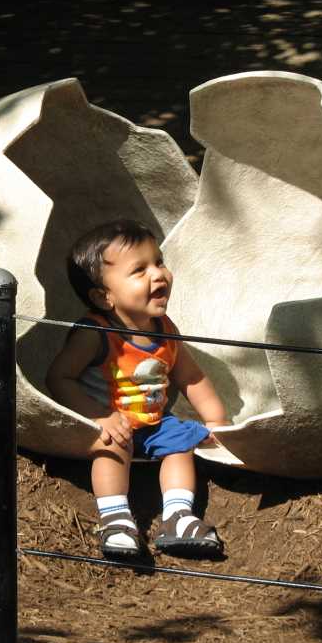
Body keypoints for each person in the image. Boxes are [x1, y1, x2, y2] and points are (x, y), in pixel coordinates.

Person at [46, 218, 229, 558]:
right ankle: (116, 519)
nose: (158, 274)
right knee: (111, 446)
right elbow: (59, 378)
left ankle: (178, 516)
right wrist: (99, 416)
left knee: (181, 443)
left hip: (153, 421)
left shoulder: (165, 329)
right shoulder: (95, 333)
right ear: (104, 296)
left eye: (159, 262)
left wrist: (217, 420)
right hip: (110, 421)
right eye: (139, 270)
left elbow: (190, 377)